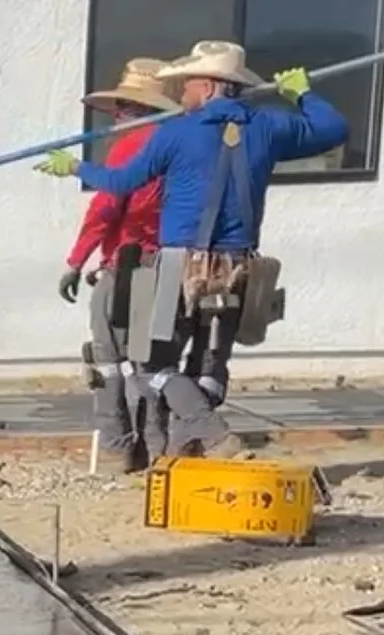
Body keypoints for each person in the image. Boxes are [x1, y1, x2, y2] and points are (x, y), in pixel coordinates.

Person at [37, 41, 349, 458]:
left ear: (208, 86)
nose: (181, 93)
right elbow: (333, 130)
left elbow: (119, 183)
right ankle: (185, 451)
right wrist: (301, 93)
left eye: (187, 84)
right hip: (237, 265)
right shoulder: (269, 127)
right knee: (208, 365)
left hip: (176, 265)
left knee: (151, 366)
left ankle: (212, 432)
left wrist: (75, 167)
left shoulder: (176, 133)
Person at [61, 58, 176, 471]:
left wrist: (76, 261)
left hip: (128, 264)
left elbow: (106, 207)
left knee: (111, 359)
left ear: (139, 110)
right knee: (151, 359)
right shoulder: (175, 143)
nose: (115, 118)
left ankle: (117, 448)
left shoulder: (132, 145)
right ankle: (158, 447)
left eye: (122, 109)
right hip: (166, 262)